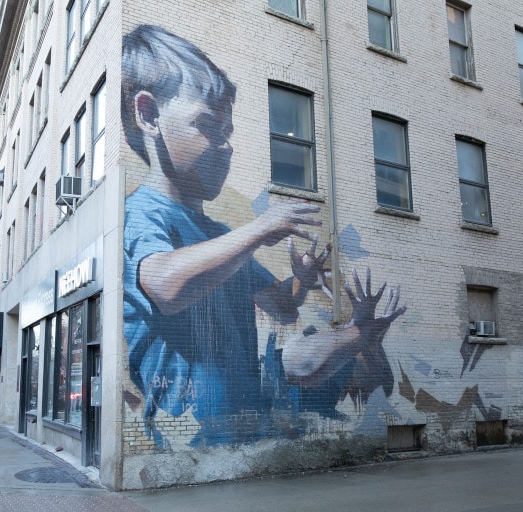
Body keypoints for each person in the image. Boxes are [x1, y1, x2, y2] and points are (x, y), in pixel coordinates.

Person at [121, 25, 405, 447]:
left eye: (228, 133)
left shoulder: (219, 236)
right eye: (207, 126)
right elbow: (165, 286)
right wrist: (258, 229)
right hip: (184, 444)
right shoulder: (142, 213)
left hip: (240, 435)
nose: (226, 147)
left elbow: (281, 306)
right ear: (149, 115)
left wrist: (301, 283)